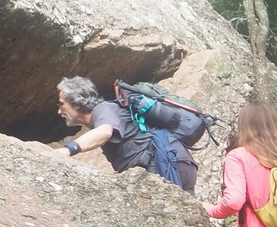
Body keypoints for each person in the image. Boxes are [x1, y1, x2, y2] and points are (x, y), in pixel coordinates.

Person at [55, 75, 196, 192]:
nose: (59, 111)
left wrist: (67, 150)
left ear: (76, 104)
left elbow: (105, 132)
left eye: (61, 104)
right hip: (178, 160)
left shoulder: (103, 109)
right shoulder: (105, 113)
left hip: (164, 161)